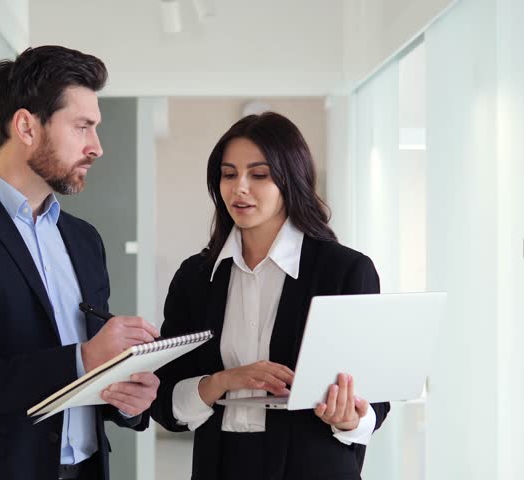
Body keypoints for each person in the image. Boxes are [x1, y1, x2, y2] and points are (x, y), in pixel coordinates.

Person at [0, 45, 160, 480]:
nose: (96, 147)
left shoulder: (84, 239)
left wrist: (128, 397)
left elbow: (90, 372)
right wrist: (85, 358)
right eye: (82, 127)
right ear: (26, 126)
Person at [151, 112, 391, 480]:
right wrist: (223, 381)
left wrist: (351, 417)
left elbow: (375, 401)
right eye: (229, 174)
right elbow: (165, 402)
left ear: (290, 180)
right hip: (219, 465)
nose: (239, 187)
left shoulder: (344, 271)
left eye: (259, 175)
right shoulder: (195, 277)